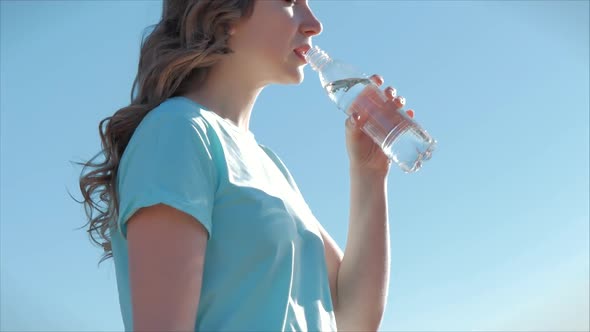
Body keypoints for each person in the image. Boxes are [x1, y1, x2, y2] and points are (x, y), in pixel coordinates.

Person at [78, 0, 414, 331]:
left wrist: (369, 172)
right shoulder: (176, 131)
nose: (314, 23)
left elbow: (353, 318)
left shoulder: (267, 162)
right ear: (224, 14)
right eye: (290, 1)